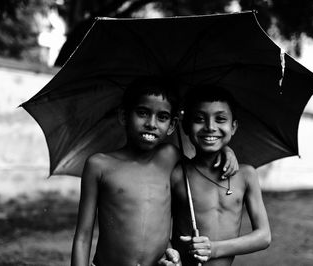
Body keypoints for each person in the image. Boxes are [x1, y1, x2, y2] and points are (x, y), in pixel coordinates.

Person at [71, 77, 238, 266]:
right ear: (124, 116)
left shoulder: (170, 157)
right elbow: (83, 237)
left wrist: (225, 150)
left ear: (172, 125)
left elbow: (201, 167)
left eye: (163, 117)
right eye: (142, 113)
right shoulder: (99, 165)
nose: (151, 123)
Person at [170, 86, 271, 266]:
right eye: (199, 119)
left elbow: (263, 237)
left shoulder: (246, 175)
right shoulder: (178, 173)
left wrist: (214, 249)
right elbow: (159, 231)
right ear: (185, 126)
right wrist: (170, 254)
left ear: (233, 127)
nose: (210, 127)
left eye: (220, 119)